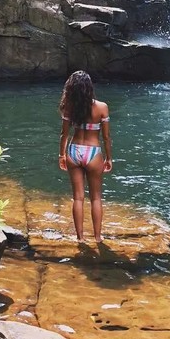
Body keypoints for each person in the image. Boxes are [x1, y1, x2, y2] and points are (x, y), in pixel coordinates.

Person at [58, 70, 112, 242]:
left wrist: (61, 155)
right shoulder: (102, 107)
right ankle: (97, 237)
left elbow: (64, 135)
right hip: (93, 152)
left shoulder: (69, 107)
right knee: (96, 197)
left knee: (78, 198)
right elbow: (106, 138)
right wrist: (109, 158)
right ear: (89, 88)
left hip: (74, 151)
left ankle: (80, 238)